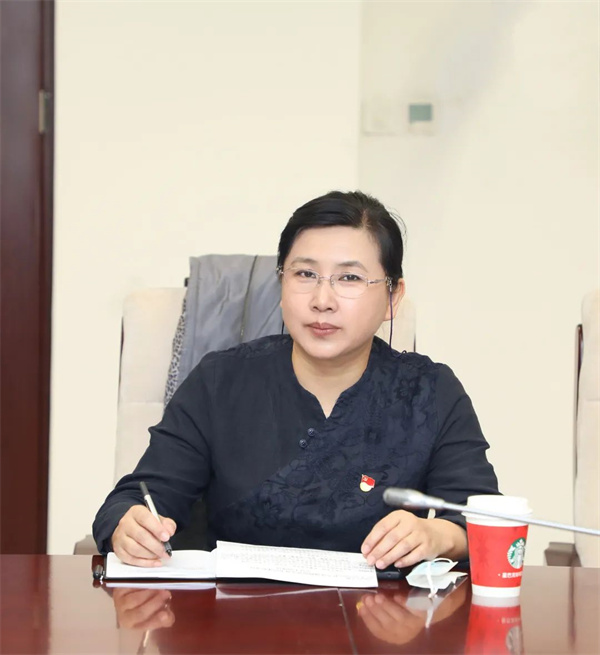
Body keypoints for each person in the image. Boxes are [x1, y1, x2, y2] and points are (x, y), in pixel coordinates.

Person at [93, 190, 499, 571]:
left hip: (380, 617)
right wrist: (131, 526)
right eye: (305, 274)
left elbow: (485, 521)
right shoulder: (220, 381)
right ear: (281, 284)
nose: (322, 300)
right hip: (236, 613)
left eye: (349, 278)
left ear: (392, 297)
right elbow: (134, 500)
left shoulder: (431, 391)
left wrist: (438, 535)